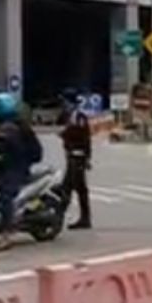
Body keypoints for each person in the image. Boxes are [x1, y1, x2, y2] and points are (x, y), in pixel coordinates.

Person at [0, 92, 43, 251]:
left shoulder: (12, 127)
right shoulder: (11, 124)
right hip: (5, 166)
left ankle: (7, 234)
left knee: (5, 198)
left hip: (17, 168)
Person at [58, 88, 92, 230]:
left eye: (64, 102)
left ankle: (62, 217)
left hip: (77, 157)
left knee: (73, 188)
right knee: (68, 187)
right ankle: (59, 216)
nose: (63, 105)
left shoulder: (79, 117)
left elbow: (84, 138)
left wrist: (87, 158)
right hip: (72, 156)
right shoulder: (70, 116)